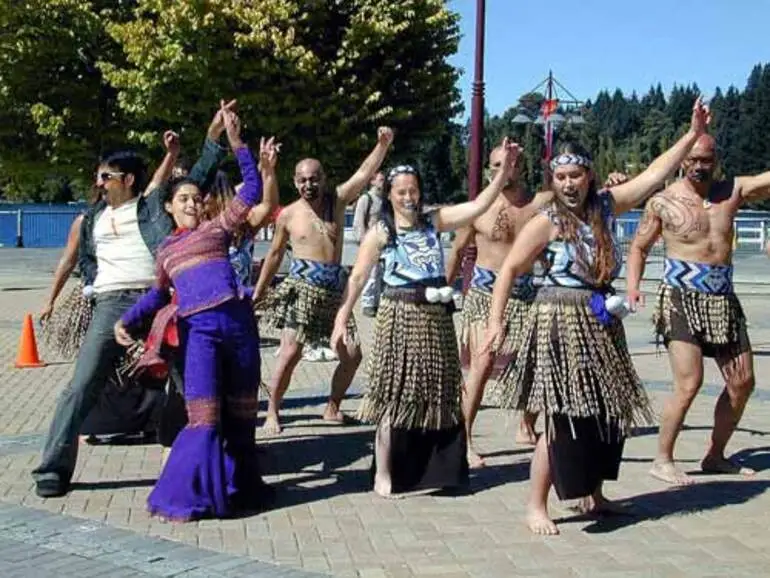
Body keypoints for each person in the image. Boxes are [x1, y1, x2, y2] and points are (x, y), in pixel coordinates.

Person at [482, 97, 711, 535]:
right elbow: (510, 268)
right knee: (562, 413)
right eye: (561, 176)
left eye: (576, 175)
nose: (569, 183)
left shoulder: (605, 206)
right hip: (558, 319)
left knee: (606, 410)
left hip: (600, 318)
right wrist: (496, 322)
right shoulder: (546, 219)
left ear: (589, 175)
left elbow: (653, 175)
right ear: (554, 179)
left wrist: (690, 134)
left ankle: (595, 493)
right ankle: (536, 504)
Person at [31, 103, 232, 498]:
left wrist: (212, 138)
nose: (99, 182)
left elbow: (196, 180)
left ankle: (213, 458)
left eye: (106, 176)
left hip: (158, 300)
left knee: (192, 379)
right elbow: (81, 260)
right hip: (111, 305)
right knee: (80, 385)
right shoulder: (90, 219)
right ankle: (52, 469)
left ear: (126, 179)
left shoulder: (152, 208)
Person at [331, 139, 522, 497]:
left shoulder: (434, 221)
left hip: (436, 320)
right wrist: (343, 316)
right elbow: (357, 276)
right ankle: (384, 472)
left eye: (413, 191)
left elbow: (479, 205)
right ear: (389, 194)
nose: (408, 198)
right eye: (401, 192)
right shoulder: (381, 231)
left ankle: (441, 470)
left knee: (439, 390)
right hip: (399, 316)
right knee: (395, 393)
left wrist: (504, 173)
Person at [114, 109, 276, 521]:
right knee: (202, 417)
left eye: (196, 198)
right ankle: (183, 496)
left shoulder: (218, 228)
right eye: (183, 198)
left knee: (242, 415)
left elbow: (253, 189)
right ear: (168, 207)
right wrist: (125, 320)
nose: (192, 203)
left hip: (240, 328)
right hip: (199, 333)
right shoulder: (166, 252)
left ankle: (242, 489)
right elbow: (155, 296)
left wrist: (238, 145)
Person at [626, 133, 770, 486]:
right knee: (690, 383)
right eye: (692, 159)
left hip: (723, 299)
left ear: (716, 159)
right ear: (681, 161)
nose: (699, 166)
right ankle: (662, 459)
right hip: (680, 297)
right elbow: (639, 247)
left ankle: (715, 456)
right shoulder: (663, 202)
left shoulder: (731, 192)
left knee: (742, 382)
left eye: (706, 159)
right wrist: (632, 286)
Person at [253, 127, 394, 434]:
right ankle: (273, 412)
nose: (309, 184)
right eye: (302, 179)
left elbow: (363, 173)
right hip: (302, 289)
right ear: (295, 182)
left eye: (314, 178)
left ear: (324, 179)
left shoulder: (337, 201)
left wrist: (382, 145)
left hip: (334, 291)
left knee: (352, 355)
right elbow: (275, 256)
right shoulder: (288, 214)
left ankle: (332, 406)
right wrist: (259, 292)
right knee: (290, 353)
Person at [445, 146, 550, 467]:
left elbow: (583, 195)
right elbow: (457, 251)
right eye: (495, 165)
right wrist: (442, 294)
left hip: (526, 295)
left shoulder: (541, 204)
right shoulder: (478, 209)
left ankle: (526, 424)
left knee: (541, 362)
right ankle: (463, 439)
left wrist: (614, 183)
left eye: (509, 164)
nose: (502, 170)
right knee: (482, 362)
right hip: (483, 295)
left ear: (521, 166)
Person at [353, 171, 386, 317]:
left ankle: (378, 303)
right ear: (372, 181)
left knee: (382, 274)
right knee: (371, 275)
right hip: (369, 243)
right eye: (381, 179)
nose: (383, 182)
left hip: (384, 243)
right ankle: (368, 304)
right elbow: (359, 222)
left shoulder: (384, 200)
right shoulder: (366, 199)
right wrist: (364, 243)